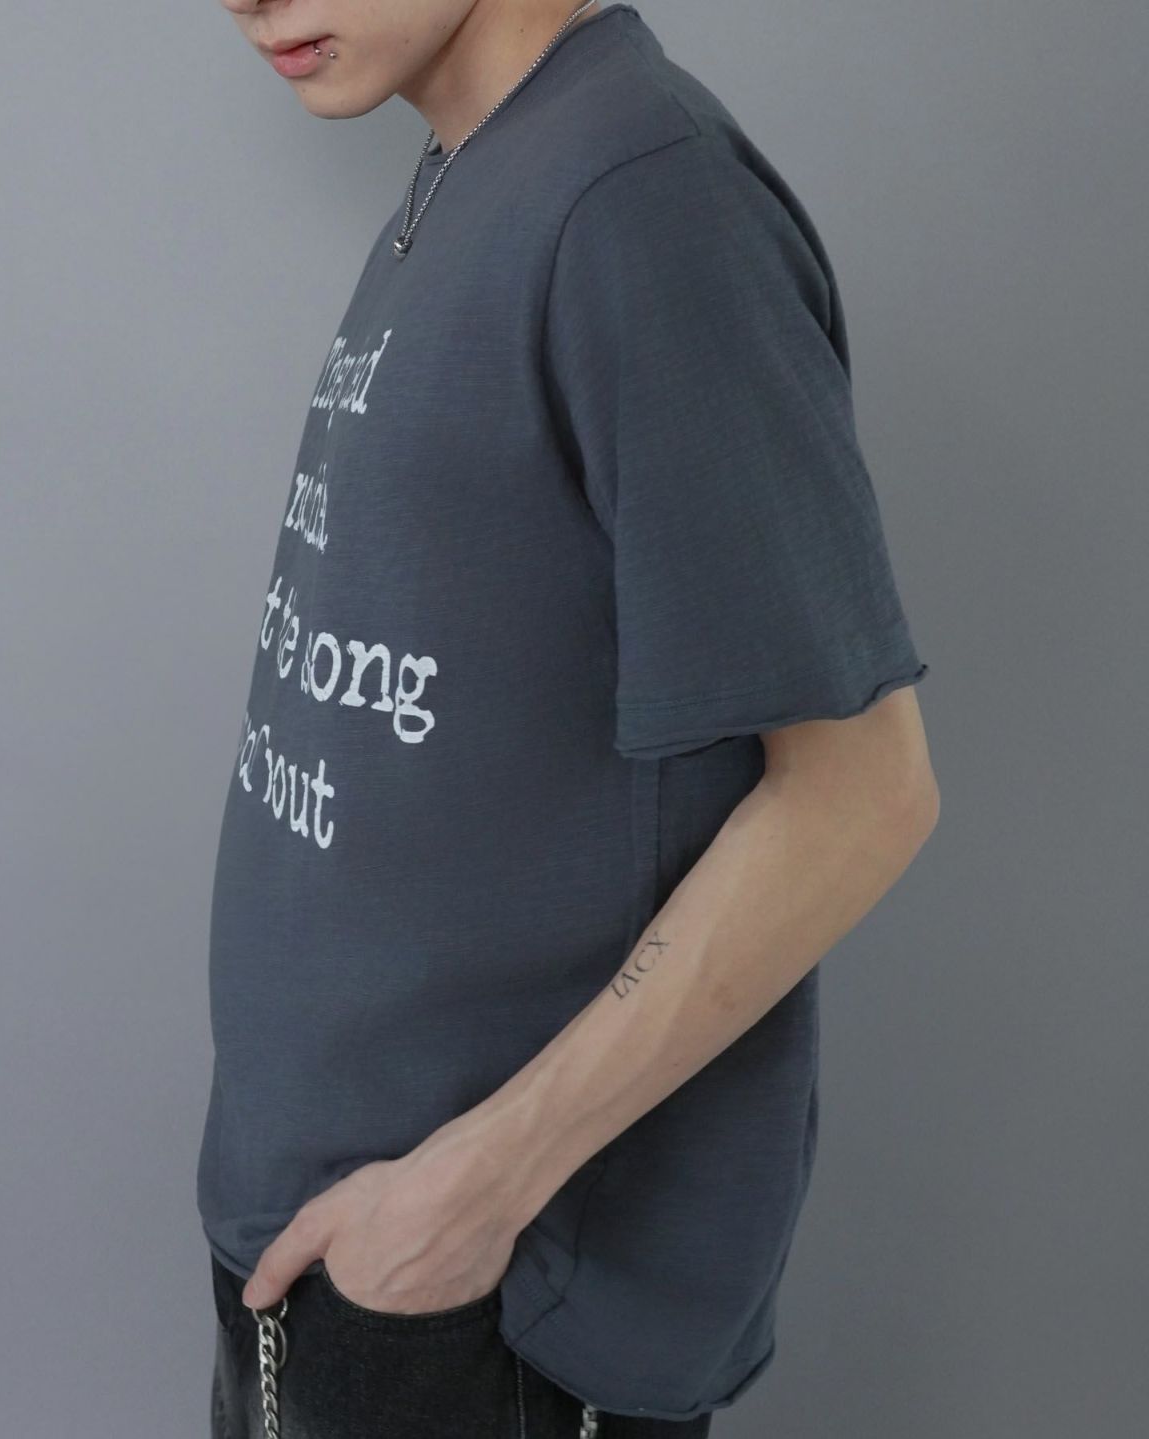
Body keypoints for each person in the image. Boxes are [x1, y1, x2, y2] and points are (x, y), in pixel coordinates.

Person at [200, 3, 940, 1436]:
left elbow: (861, 793)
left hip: (486, 1304)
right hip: (325, 1260)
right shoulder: (479, 171)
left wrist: (468, 1198)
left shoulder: (644, 197)